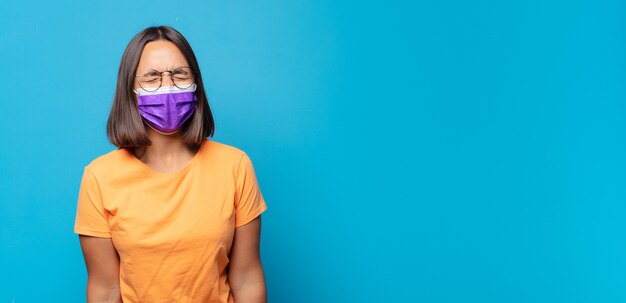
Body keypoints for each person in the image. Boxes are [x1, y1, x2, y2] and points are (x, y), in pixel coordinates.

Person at [73, 25, 268, 303]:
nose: (168, 87)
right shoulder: (100, 177)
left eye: (180, 75)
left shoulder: (234, 165)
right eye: (152, 78)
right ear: (130, 88)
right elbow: (105, 290)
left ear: (196, 83)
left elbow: (247, 279)